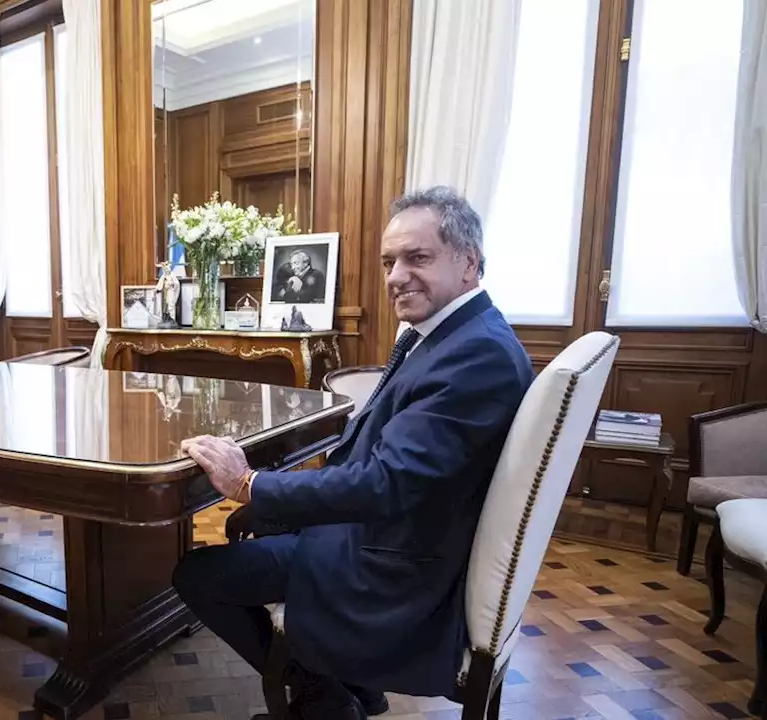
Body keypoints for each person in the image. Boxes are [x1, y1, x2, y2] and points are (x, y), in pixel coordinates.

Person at [172, 186, 535, 720]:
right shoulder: (460, 334)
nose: (394, 276)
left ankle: (324, 698)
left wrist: (250, 483)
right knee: (261, 521)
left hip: (390, 566)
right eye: (390, 261)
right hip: (396, 534)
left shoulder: (475, 355)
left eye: (418, 258)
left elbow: (384, 485)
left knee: (197, 575)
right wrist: (272, 496)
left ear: (469, 263)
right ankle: (349, 688)